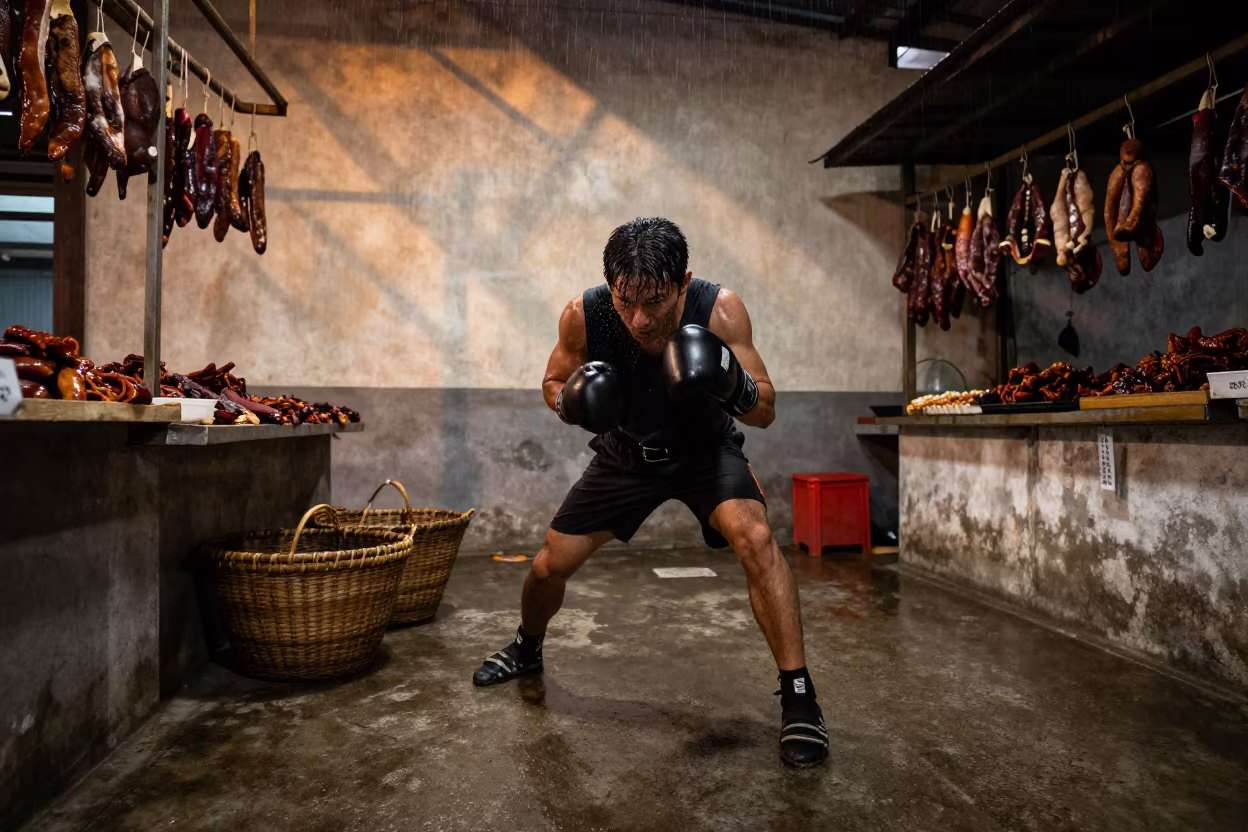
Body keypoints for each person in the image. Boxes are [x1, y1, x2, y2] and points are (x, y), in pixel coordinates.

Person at [472, 217, 827, 767]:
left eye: (656, 301)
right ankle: (527, 646)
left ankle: (799, 695)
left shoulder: (719, 309)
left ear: (682, 283)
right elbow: (551, 381)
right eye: (627, 300)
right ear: (610, 285)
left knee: (755, 539)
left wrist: (731, 380)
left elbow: (767, 410)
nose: (640, 318)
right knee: (547, 566)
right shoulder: (582, 314)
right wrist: (571, 403)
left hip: (707, 451)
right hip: (626, 455)